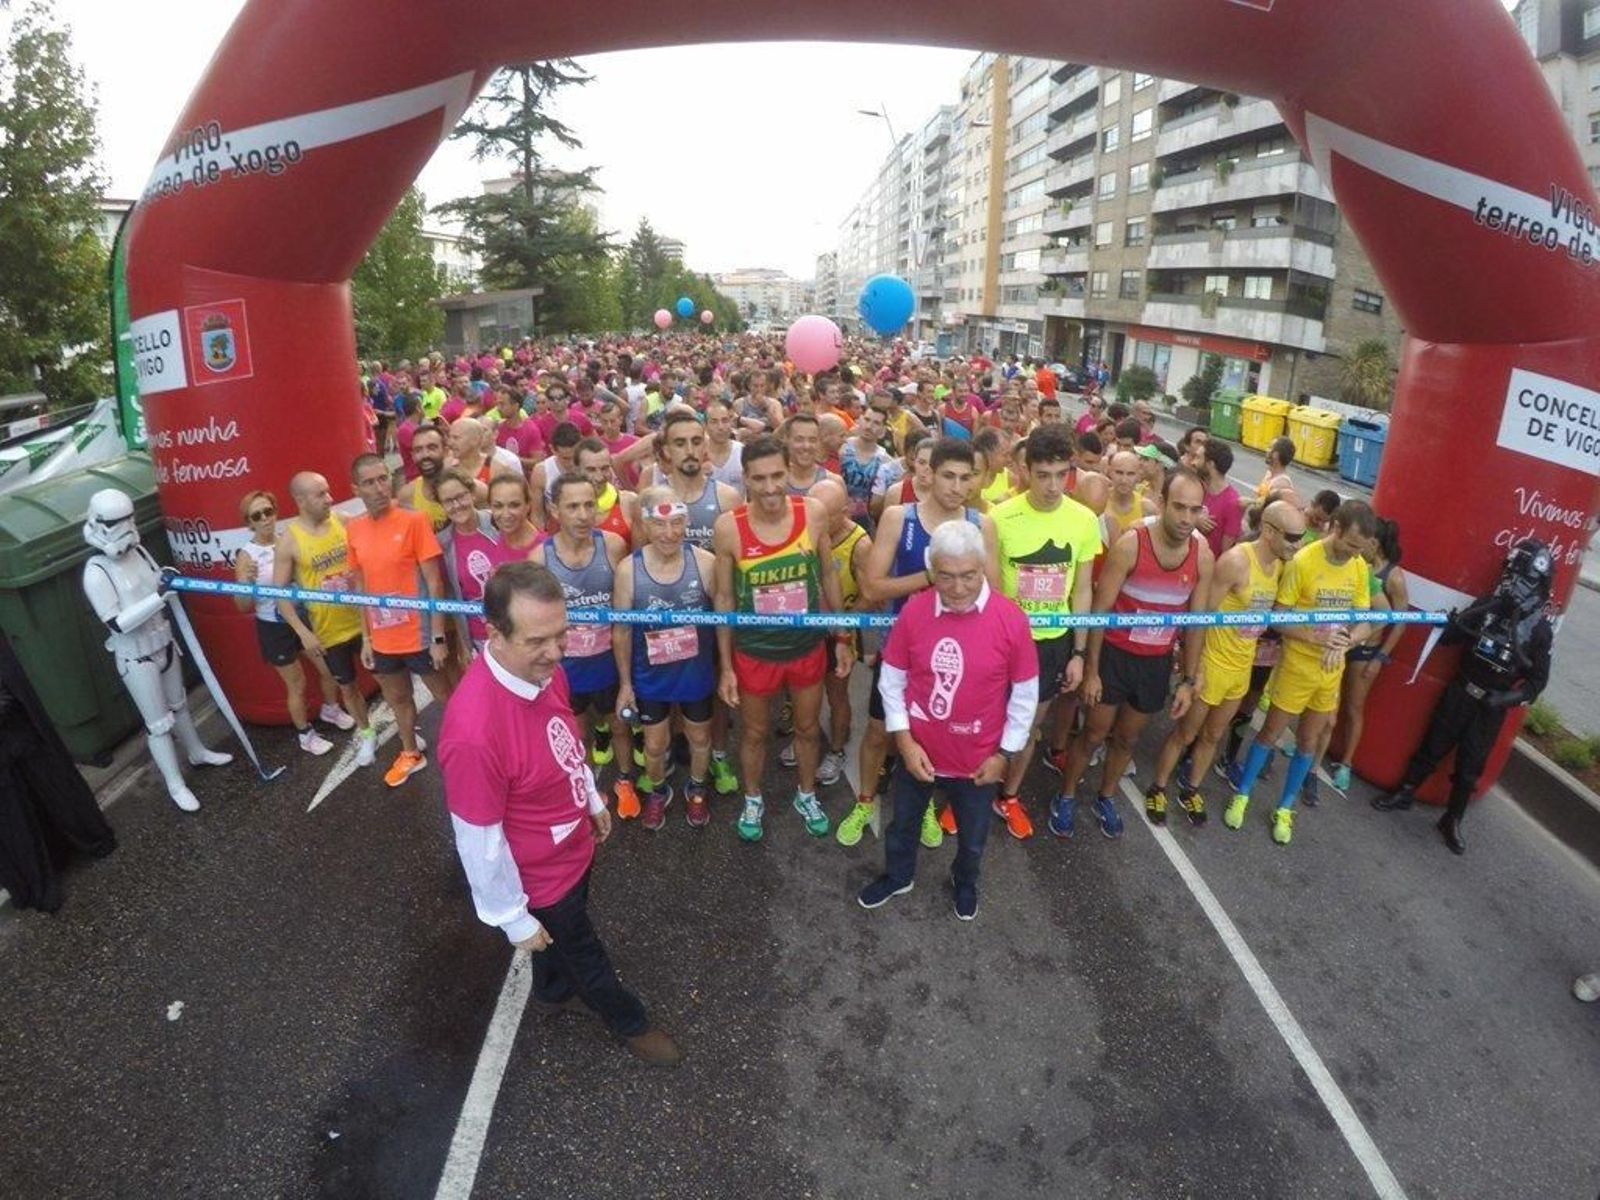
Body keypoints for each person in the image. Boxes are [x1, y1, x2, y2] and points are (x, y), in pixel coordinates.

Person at [438, 561, 681, 1067]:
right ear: (494, 634)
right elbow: (477, 840)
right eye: (538, 641)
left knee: (560, 949)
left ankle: (550, 991)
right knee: (585, 954)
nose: (556, 653)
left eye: (561, 634)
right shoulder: (473, 733)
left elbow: (564, 741)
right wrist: (512, 919)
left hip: (573, 848)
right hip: (542, 879)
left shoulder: (543, 671)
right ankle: (629, 1022)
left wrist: (590, 799)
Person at [856, 520, 1037, 920]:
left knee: (972, 841)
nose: (957, 588)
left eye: (969, 576)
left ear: (984, 566)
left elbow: (1025, 694)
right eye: (946, 576)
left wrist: (1004, 754)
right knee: (902, 826)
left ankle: (965, 881)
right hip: (918, 753)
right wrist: (903, 742)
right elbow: (892, 679)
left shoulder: (1011, 619)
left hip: (979, 760)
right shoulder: (915, 611)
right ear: (931, 570)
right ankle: (898, 876)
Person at [1052, 469, 1213, 838]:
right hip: (1113, 656)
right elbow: (1100, 611)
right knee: (1093, 735)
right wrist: (1091, 669)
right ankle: (1066, 795)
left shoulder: (1201, 555)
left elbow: (1197, 622)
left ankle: (1105, 797)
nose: (1187, 518)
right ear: (1161, 503)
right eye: (1179, 507)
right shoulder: (1131, 544)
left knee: (1127, 739)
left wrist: (1189, 679)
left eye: (1194, 509)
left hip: (1154, 663)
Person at [1373, 537, 1554, 855]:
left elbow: (1537, 681)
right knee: (1433, 743)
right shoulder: (1487, 604)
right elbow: (1450, 639)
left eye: (1524, 579)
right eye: (1512, 574)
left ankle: (1453, 818)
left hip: (1491, 704)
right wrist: (1468, 616)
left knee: (1471, 765)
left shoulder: (1539, 630)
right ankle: (1405, 791)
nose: (1514, 585)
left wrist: (1505, 700)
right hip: (1462, 690)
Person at [713, 435, 854, 842]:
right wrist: (726, 666)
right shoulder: (730, 527)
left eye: (779, 475)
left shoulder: (811, 513)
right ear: (746, 479)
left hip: (806, 646)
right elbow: (723, 597)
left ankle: (805, 794)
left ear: (788, 472)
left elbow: (828, 574)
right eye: (761, 479)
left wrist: (841, 636)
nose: (772, 487)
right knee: (755, 733)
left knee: (808, 728)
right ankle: (753, 797)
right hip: (756, 651)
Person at [1224, 500, 1377, 845]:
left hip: (1330, 671)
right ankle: (1243, 794)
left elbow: (1365, 620)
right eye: (1352, 544)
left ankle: (1285, 808)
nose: (1356, 553)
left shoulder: (1358, 567)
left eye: (1362, 548)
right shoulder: (1303, 561)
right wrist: (1316, 637)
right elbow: (1278, 617)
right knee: (1271, 734)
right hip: (1297, 667)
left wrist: (1347, 642)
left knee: (1309, 742)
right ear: (1335, 528)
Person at [1144, 499, 1305, 824]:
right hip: (1212, 664)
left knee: (1213, 737)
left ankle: (1190, 789)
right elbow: (1200, 615)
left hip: (1241, 668)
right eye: (1291, 537)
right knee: (1185, 734)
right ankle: (1157, 788)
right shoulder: (1236, 562)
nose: (1297, 545)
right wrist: (1194, 670)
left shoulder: (1282, 566)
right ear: (1270, 531)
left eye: (1301, 537)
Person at [81, 490, 233, 812]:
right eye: (115, 523)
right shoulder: (96, 572)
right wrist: (159, 596)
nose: (125, 529)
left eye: (127, 520)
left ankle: (197, 751)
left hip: (163, 642)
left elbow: (155, 582)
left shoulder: (140, 551)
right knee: (158, 723)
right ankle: (175, 784)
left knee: (180, 706)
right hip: (136, 656)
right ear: (99, 524)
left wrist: (166, 580)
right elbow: (118, 623)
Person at [988, 426, 1102, 838]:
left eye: (1062, 474)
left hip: (1053, 645)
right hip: (1005, 643)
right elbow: (992, 590)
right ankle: (977, 794)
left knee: (1028, 728)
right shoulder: (999, 518)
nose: (1054, 485)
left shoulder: (1085, 520)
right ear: (1025, 471)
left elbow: (1083, 588)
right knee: (990, 722)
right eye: (1044, 475)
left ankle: (1009, 797)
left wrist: (1078, 651)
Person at [613, 489, 719, 830]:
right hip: (651, 677)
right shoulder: (629, 570)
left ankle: (698, 789)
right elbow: (622, 632)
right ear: (645, 524)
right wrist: (626, 684)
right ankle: (659, 791)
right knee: (655, 744)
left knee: (700, 739)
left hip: (695, 674)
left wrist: (727, 669)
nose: (669, 533)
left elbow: (726, 621)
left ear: (687, 522)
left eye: (676, 523)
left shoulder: (705, 562)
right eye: (659, 524)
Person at [345, 453, 452, 788]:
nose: (379, 488)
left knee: (446, 698)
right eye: (369, 482)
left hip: (419, 634)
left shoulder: (413, 520)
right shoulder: (355, 528)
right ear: (356, 489)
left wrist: (437, 636)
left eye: (383, 479)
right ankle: (410, 752)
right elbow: (361, 587)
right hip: (382, 637)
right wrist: (366, 638)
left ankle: (465, 751)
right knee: (398, 699)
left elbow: (435, 582)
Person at [542, 473, 636, 810]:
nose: (583, 515)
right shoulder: (540, 557)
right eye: (572, 507)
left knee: (620, 727)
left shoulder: (612, 545)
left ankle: (625, 780)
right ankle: (580, 785)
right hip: (567, 669)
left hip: (609, 664)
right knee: (575, 733)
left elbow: (625, 606)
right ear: (555, 510)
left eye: (588, 505)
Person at [232, 488, 349, 756]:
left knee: (329, 668)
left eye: (268, 511)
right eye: (257, 515)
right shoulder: (246, 555)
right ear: (249, 522)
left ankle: (331, 709)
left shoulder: (287, 539)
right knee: (296, 684)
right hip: (273, 626)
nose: (264, 519)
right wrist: (244, 584)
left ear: (276, 512)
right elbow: (241, 606)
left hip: (301, 616)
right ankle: (305, 735)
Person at [273, 471, 378, 765]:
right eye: (321, 494)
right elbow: (278, 593)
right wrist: (302, 631)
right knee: (348, 687)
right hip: (329, 630)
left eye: (328, 491)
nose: (329, 499)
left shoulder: (342, 521)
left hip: (363, 621)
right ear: (301, 500)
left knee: (389, 678)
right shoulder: (290, 542)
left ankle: (407, 729)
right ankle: (367, 733)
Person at [1326, 517, 1409, 792]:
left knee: (1353, 707)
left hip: (1366, 650)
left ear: (1379, 544)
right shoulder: (1356, 564)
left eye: (1368, 543)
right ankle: (1310, 741)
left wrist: (1380, 657)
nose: (1361, 547)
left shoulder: (1394, 577)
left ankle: (1346, 764)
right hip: (1339, 641)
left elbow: (1399, 620)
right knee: (1326, 699)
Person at [839, 404, 892, 529]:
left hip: (865, 526)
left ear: (883, 430)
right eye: (867, 420)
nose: (869, 426)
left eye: (876, 423)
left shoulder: (885, 462)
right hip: (835, 517)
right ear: (860, 420)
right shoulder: (842, 448)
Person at [398, 424, 453, 532]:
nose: (425, 455)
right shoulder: (407, 494)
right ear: (413, 456)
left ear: (446, 451)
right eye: (418, 450)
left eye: (432, 448)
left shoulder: (467, 487)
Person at [1196, 439, 1243, 559]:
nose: (1193, 462)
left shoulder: (1232, 502)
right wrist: (1194, 520)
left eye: (1198, 458)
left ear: (1210, 464)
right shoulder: (1196, 490)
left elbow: (1226, 553)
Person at [1258, 436, 1296, 500]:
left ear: (1277, 454)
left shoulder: (1281, 483)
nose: (1267, 450)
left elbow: (1267, 508)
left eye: (1270, 448)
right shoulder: (1269, 474)